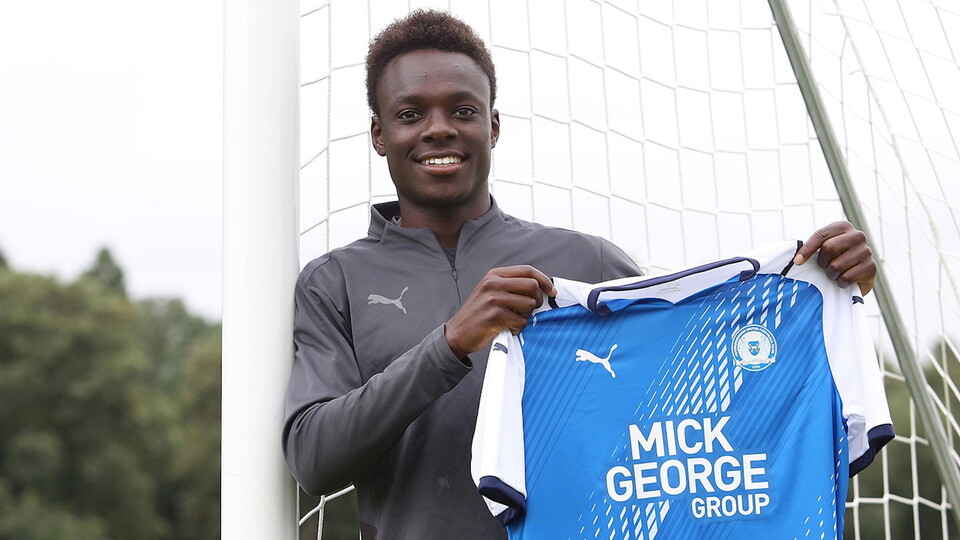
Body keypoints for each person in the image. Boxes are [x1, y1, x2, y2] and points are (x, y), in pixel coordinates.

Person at [282, 10, 877, 540]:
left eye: (462, 110)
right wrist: (450, 344)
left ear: (493, 126)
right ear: (379, 135)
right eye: (411, 114)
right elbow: (314, 459)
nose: (439, 128)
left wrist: (820, 293)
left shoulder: (585, 264)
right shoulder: (334, 282)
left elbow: (713, 387)